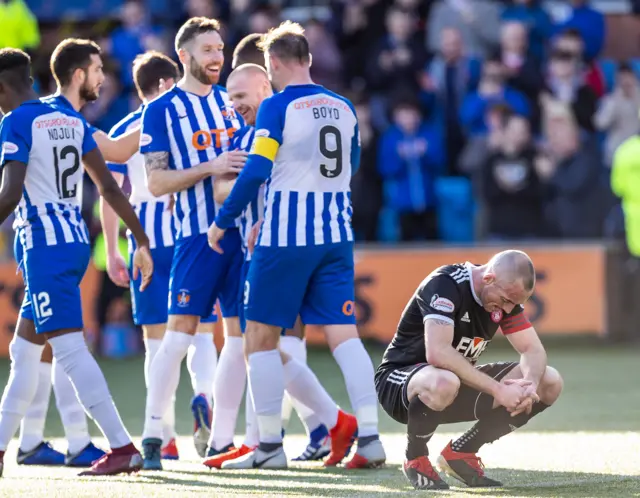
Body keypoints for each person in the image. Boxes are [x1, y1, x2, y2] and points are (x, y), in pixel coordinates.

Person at [208, 21, 386, 469]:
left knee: (260, 340)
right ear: (308, 59)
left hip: (286, 239)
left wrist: (222, 221)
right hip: (335, 236)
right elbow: (355, 164)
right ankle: (370, 439)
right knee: (346, 339)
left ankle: (269, 448)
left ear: (272, 65)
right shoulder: (344, 106)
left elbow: (255, 173)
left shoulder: (277, 106)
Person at [0, 47, 154, 477]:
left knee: (68, 350)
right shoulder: (72, 120)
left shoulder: (16, 122)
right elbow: (107, 186)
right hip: (72, 242)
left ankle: (121, 446)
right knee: (24, 353)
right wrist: (139, 238)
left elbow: (11, 193)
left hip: (45, 248)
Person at [138, 17, 247, 470]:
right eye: (207, 49)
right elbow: (157, 182)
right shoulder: (161, 110)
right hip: (196, 238)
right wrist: (211, 166)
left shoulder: (230, 103)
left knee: (242, 341)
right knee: (178, 337)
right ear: (184, 56)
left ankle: (223, 439)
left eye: (220, 48)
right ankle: (151, 434)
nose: (217, 57)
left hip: (243, 234)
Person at [101, 50, 219, 462]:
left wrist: (115, 249)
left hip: (145, 239)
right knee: (201, 331)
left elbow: (110, 194)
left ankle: (163, 433)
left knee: (156, 342)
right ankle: (205, 397)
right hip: (191, 232)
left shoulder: (123, 128)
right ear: (170, 81)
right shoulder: (188, 118)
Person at [375, 250, 563, 490]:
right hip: (400, 383)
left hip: (451, 384)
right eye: (505, 300)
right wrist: (498, 390)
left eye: (513, 304)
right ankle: (416, 459)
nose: (506, 310)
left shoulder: (504, 296)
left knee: (550, 380)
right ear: (488, 278)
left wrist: (530, 386)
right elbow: (438, 352)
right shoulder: (446, 284)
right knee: (444, 381)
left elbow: (533, 351)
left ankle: (461, 453)